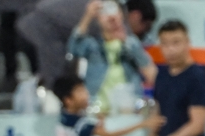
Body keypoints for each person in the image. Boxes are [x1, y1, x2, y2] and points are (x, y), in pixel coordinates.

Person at [17, 0, 156, 92]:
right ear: (136, 16)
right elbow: (75, 47)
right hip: (39, 23)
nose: (144, 34)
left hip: (32, 15)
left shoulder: (108, 17)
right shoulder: (106, 17)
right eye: (146, 27)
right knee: (57, 78)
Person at [52, 75, 163, 136]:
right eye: (80, 92)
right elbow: (111, 135)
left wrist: (100, 118)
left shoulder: (64, 117)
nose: (86, 95)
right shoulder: (80, 123)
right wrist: (143, 124)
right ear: (68, 100)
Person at [67, 0, 156, 115]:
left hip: (128, 108)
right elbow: (73, 49)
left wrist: (125, 40)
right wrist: (87, 17)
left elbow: (149, 70)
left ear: (122, 15)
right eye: (104, 13)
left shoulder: (132, 44)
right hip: (98, 109)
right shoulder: (92, 45)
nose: (111, 17)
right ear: (98, 19)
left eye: (114, 11)